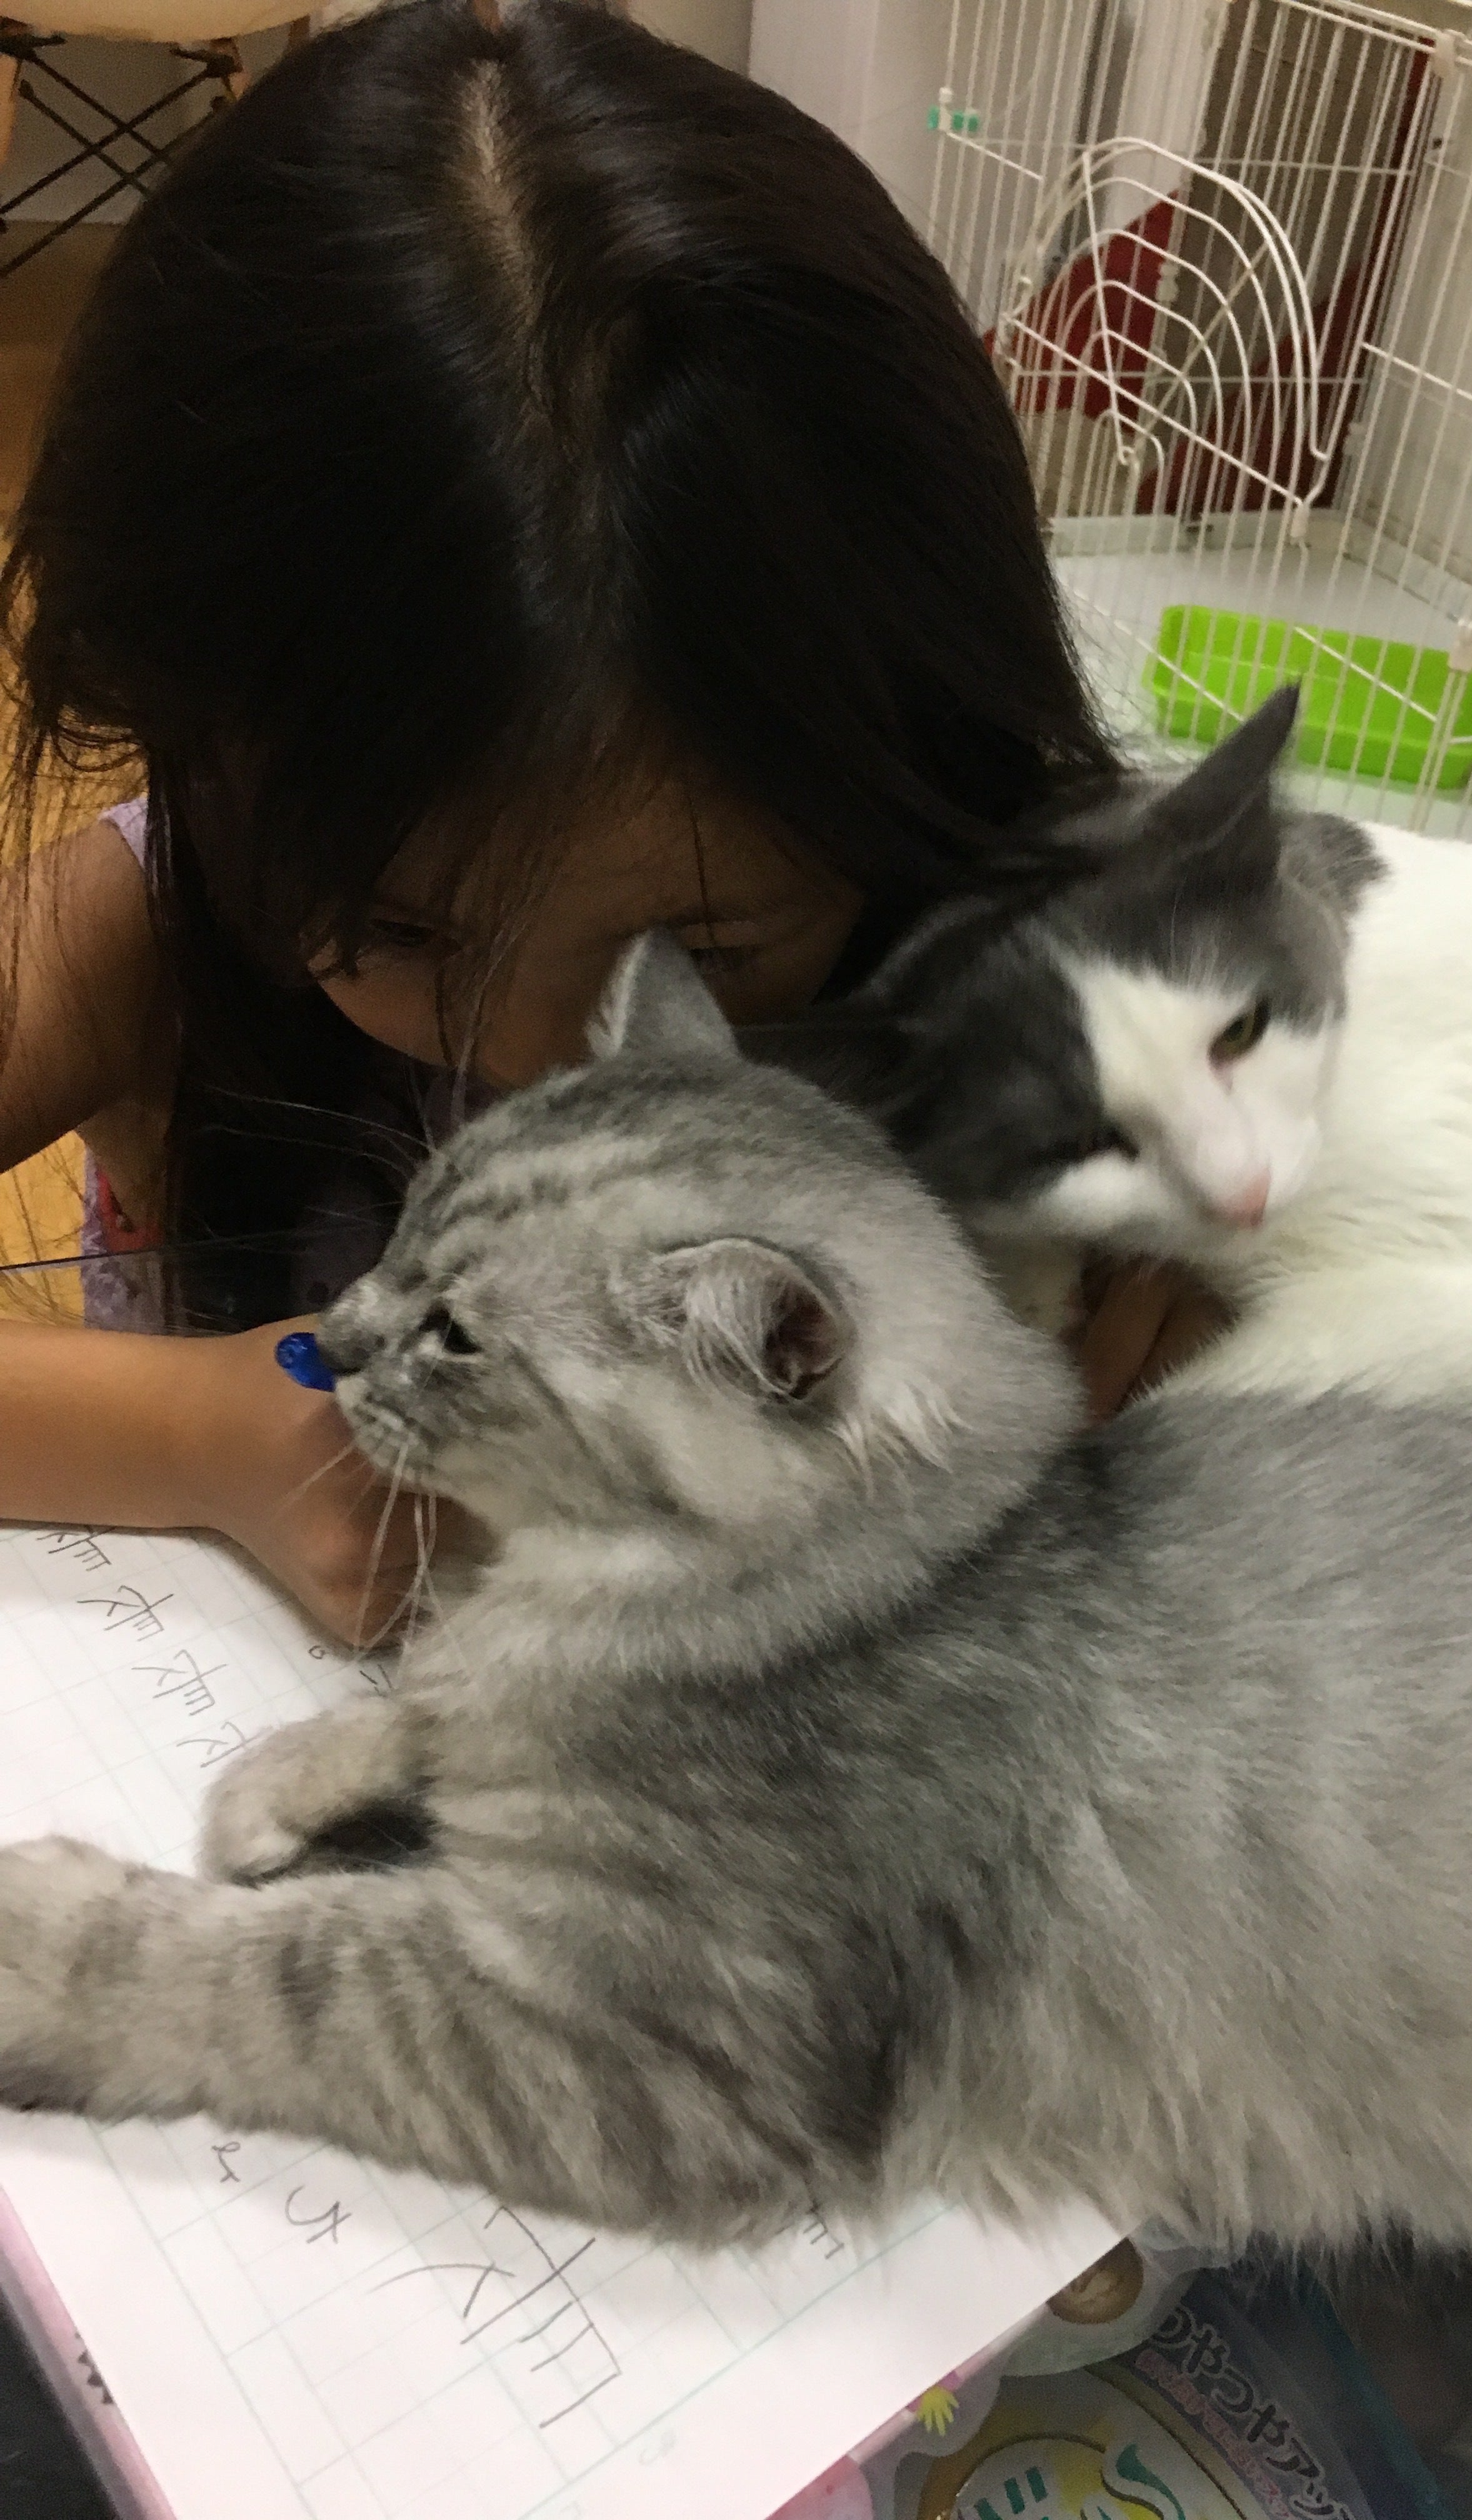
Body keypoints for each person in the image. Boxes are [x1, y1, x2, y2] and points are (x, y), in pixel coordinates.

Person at [0, 0, 1222, 1644]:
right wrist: (198, 1440)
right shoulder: (155, 922)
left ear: (914, 787)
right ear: (217, 764)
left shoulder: (1048, 1010)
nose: (541, 1071)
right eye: (398, 933)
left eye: (699, 951)